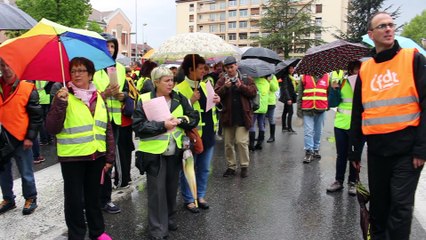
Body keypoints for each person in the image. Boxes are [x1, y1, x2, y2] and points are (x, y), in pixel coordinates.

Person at [349, 12, 426, 239]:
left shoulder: (413, 59)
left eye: (391, 25)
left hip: (407, 151)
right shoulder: (366, 69)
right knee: (380, 207)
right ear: (371, 34)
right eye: (382, 26)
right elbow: (358, 112)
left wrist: (422, 148)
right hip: (377, 151)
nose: (389, 29)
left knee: (400, 208)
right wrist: (354, 149)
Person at [46, 57, 114, 240]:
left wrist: (109, 157)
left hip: (96, 155)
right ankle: (76, 235)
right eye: (73, 71)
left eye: (81, 70)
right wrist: (60, 104)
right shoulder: (63, 95)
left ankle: (97, 232)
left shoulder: (98, 96)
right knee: (74, 201)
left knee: (93, 198)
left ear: (90, 74)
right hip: (72, 158)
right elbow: (52, 128)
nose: (76, 74)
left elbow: (106, 127)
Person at [132, 67, 199, 240]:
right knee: (156, 192)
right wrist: (163, 125)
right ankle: (157, 230)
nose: (171, 83)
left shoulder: (179, 98)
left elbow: (193, 118)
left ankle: (168, 218)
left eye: (172, 80)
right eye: (166, 80)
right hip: (153, 154)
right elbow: (138, 126)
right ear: (156, 82)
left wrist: (181, 121)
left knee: (170, 189)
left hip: (175, 152)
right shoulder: (145, 99)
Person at [175, 54, 220, 213]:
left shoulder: (207, 85)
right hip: (191, 136)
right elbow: (176, 113)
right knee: (189, 168)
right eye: (200, 68)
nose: (203, 71)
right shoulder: (179, 89)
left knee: (204, 168)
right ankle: (189, 199)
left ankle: (200, 195)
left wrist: (217, 100)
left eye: (204, 68)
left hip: (208, 134)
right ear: (190, 69)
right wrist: (191, 101)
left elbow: (213, 110)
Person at [0, 58, 42, 215]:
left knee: (25, 171)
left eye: (8, 64)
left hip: (21, 138)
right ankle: (8, 199)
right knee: (3, 172)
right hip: (2, 139)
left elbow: (36, 117)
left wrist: (30, 138)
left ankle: (31, 198)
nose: (5, 68)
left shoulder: (27, 88)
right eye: (2, 65)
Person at [93, 33, 127, 214]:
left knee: (109, 160)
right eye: (106, 46)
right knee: (96, 161)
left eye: (112, 46)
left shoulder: (120, 68)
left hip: (114, 121)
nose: (109, 49)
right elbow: (87, 95)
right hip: (97, 121)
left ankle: (106, 199)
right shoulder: (93, 67)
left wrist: (122, 96)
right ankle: (93, 198)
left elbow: (127, 93)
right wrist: (104, 94)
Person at [215, 56, 257, 178]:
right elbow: (215, 94)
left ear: (236, 66)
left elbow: (253, 92)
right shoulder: (222, 80)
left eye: (231, 67)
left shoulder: (246, 78)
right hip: (228, 116)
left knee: (241, 141)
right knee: (228, 144)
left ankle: (244, 166)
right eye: (227, 68)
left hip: (243, 116)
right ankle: (231, 166)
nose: (229, 70)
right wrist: (225, 88)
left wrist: (241, 86)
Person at [326, 63, 363, 195]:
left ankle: (353, 182)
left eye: (360, 68)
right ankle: (338, 181)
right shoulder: (342, 82)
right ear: (351, 69)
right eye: (356, 68)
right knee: (341, 155)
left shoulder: (366, 82)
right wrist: (334, 90)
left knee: (355, 155)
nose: (358, 71)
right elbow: (332, 103)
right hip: (341, 124)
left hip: (357, 126)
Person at [297, 72, 329, 164]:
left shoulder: (327, 77)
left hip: (321, 108)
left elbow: (328, 93)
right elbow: (300, 95)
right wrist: (299, 110)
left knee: (318, 131)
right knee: (308, 131)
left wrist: (327, 105)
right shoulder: (304, 77)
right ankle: (309, 151)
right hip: (307, 108)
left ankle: (315, 149)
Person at [249, 75, 270, 151]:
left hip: (255, 106)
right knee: (261, 124)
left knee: (252, 125)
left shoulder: (253, 81)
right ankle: (259, 144)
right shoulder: (267, 83)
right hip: (264, 107)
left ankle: (251, 145)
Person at [279, 66, 298, 133]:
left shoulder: (290, 76)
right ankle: (289, 128)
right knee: (291, 112)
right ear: (287, 69)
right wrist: (288, 99)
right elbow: (285, 88)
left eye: (292, 68)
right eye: (290, 68)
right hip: (288, 97)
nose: (292, 69)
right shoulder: (286, 76)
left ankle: (284, 127)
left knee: (285, 111)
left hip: (289, 96)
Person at [265, 74, 279, 142]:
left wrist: (269, 81)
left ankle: (272, 136)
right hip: (262, 101)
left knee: (271, 119)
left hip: (270, 102)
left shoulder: (273, 77)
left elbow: (275, 88)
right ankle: (261, 136)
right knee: (261, 120)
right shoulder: (260, 75)